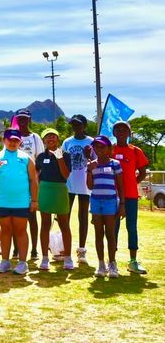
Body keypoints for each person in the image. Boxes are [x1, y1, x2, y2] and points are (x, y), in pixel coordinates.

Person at [0, 129, 38, 275]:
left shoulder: (26, 158)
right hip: (3, 201)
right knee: (6, 231)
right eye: (10, 140)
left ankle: (22, 263)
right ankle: (5, 262)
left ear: (20, 142)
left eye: (16, 140)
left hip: (21, 202)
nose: (13, 142)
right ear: (4, 140)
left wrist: (34, 200)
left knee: (21, 231)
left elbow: (33, 181)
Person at [112, 120, 149, 274]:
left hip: (131, 196)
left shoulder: (135, 151)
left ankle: (133, 261)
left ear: (129, 133)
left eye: (124, 129)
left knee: (131, 228)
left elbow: (142, 172)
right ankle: (111, 261)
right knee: (113, 228)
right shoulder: (109, 149)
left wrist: (132, 183)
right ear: (114, 133)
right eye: (118, 129)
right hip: (112, 196)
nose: (121, 132)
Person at [35, 128, 74, 271]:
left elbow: (65, 175)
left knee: (64, 224)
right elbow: (37, 175)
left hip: (60, 190)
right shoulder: (40, 157)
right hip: (45, 190)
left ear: (58, 139)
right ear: (44, 141)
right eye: (47, 137)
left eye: (53, 136)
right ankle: (45, 258)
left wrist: (59, 158)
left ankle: (68, 258)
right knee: (45, 224)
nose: (50, 139)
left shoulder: (66, 155)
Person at [87, 135, 125, 278]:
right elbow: (90, 186)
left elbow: (120, 186)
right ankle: (101, 264)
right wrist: (90, 170)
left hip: (110, 202)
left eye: (102, 146)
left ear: (109, 148)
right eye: (96, 147)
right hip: (96, 202)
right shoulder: (92, 164)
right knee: (98, 234)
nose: (99, 149)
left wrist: (122, 204)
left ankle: (112, 264)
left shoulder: (115, 164)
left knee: (110, 234)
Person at [62, 114, 94, 265]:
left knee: (83, 217)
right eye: (74, 125)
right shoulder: (67, 142)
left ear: (84, 126)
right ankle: (64, 248)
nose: (76, 127)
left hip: (85, 184)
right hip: (68, 184)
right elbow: (61, 160)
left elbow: (97, 162)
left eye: (79, 125)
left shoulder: (92, 142)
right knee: (64, 216)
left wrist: (88, 156)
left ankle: (81, 250)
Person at [14, 109, 44, 261]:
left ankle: (33, 249)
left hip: (31, 181)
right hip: (16, 182)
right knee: (15, 215)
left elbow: (39, 159)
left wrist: (35, 178)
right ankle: (16, 248)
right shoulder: (14, 136)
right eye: (20, 119)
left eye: (25, 119)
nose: (22, 121)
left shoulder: (35, 137)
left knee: (32, 216)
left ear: (29, 120)